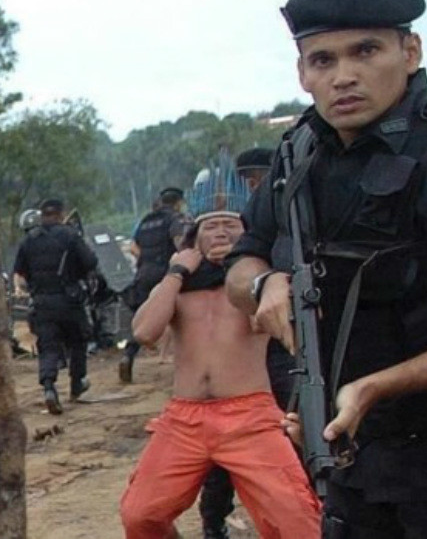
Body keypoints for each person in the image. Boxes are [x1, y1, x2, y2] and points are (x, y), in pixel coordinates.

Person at [226, 0, 427, 537]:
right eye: (323, 60)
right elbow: (242, 261)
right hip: (351, 464)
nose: (344, 77)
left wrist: (377, 386)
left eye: (366, 51)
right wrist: (265, 284)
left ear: (410, 52)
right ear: (303, 73)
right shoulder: (298, 154)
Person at [119, 209, 320, 539]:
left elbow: (270, 320)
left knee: (297, 521)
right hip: (184, 420)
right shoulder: (177, 287)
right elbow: (143, 332)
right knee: (140, 515)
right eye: (211, 226)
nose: (221, 232)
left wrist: (241, 269)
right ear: (195, 238)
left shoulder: (259, 283)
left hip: (250, 417)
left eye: (231, 225)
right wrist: (176, 271)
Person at [198, 147, 296, 539]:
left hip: (281, 353)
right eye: (247, 181)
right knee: (219, 455)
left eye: (257, 179)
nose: (253, 186)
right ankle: (214, 521)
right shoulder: (198, 258)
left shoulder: (288, 211)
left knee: (289, 438)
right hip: (228, 385)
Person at [13, 198, 98, 414]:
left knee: (48, 347)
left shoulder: (29, 240)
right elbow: (90, 262)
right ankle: (77, 384)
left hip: (41, 303)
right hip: (69, 301)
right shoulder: (71, 236)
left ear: (42, 215)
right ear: (61, 214)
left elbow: (20, 273)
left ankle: (49, 388)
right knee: (78, 341)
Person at [120, 187, 187, 383]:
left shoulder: (146, 221)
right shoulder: (175, 218)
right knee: (181, 313)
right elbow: (180, 243)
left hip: (144, 273)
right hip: (166, 273)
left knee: (142, 317)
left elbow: (133, 247)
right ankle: (185, 364)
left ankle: (128, 354)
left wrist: (147, 259)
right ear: (178, 203)